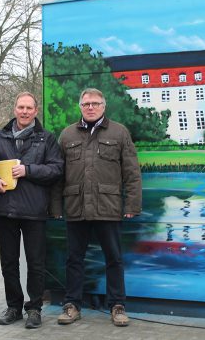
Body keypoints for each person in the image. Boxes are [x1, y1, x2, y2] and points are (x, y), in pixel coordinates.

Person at [51, 88, 142, 327]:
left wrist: (132, 203)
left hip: (108, 206)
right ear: (80, 106)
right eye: (86, 104)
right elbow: (58, 175)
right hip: (76, 206)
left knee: (113, 258)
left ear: (104, 106)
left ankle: (117, 305)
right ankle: (72, 305)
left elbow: (132, 173)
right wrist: (55, 206)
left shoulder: (119, 132)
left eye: (95, 103)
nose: (90, 107)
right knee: (74, 259)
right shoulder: (67, 134)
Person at [0, 92, 63, 329]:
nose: (24, 111)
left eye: (29, 108)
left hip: (34, 209)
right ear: (14, 109)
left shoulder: (46, 138)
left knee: (36, 262)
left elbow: (56, 169)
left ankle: (34, 308)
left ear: (36, 111)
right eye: (20, 107)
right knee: (9, 262)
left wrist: (28, 170)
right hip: (5, 208)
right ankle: (14, 306)